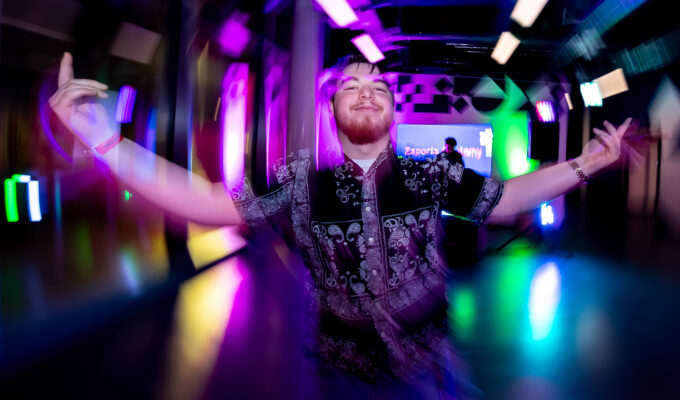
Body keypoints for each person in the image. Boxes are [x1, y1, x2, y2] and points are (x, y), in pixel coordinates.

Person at [49, 52, 632, 399]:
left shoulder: (430, 175)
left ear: (392, 111)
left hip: (429, 369)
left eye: (378, 86)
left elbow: (505, 199)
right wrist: (103, 141)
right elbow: (204, 202)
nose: (365, 91)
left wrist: (585, 164)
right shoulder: (300, 180)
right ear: (333, 111)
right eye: (351, 85)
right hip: (340, 376)